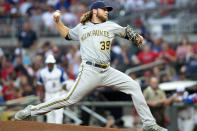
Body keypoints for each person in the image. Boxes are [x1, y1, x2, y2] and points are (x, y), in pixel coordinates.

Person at [15, 1, 167, 131]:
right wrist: (57, 22)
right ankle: (31, 111)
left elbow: (127, 32)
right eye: (104, 9)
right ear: (94, 11)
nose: (107, 12)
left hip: (107, 70)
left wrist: (137, 37)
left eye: (108, 10)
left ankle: (149, 124)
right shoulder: (82, 27)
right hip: (89, 70)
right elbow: (67, 34)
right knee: (69, 99)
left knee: (134, 86)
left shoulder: (110, 26)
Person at [37, 54, 67, 124]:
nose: (50, 65)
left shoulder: (60, 70)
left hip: (58, 93)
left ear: (54, 63)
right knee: (49, 113)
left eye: (51, 63)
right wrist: (41, 95)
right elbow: (40, 84)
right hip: (48, 94)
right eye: (49, 63)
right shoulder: (42, 72)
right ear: (46, 64)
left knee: (58, 113)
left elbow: (64, 83)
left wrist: (64, 95)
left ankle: (58, 128)